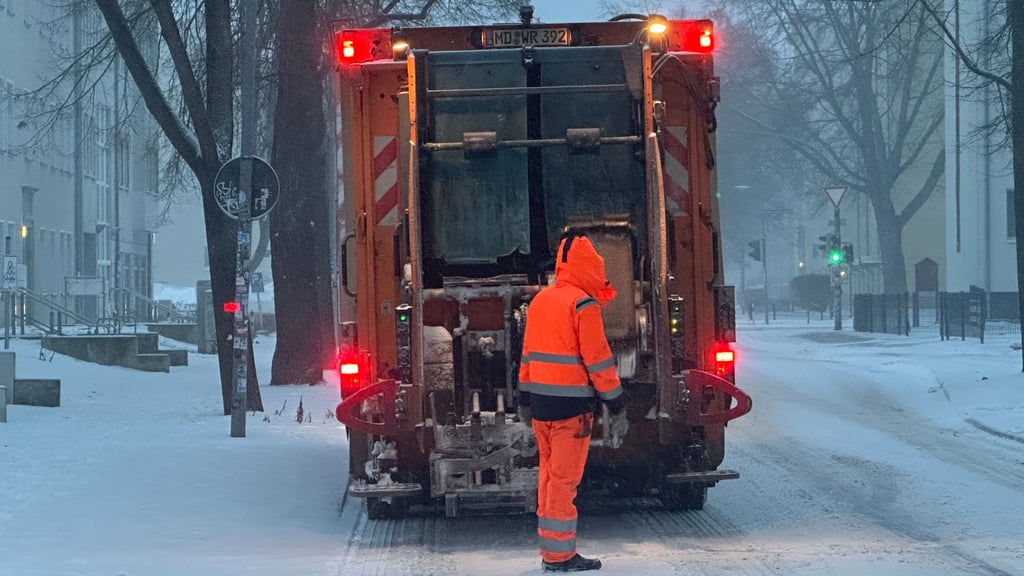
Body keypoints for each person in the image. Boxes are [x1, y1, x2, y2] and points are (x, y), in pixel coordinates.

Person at [517, 233, 629, 573]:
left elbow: (527, 356)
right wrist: (616, 402)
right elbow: (598, 360)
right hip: (571, 411)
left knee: (549, 478)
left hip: (540, 407)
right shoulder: (583, 305)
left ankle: (551, 550)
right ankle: (559, 556)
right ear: (590, 268)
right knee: (564, 483)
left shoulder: (540, 301)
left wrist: (524, 399)